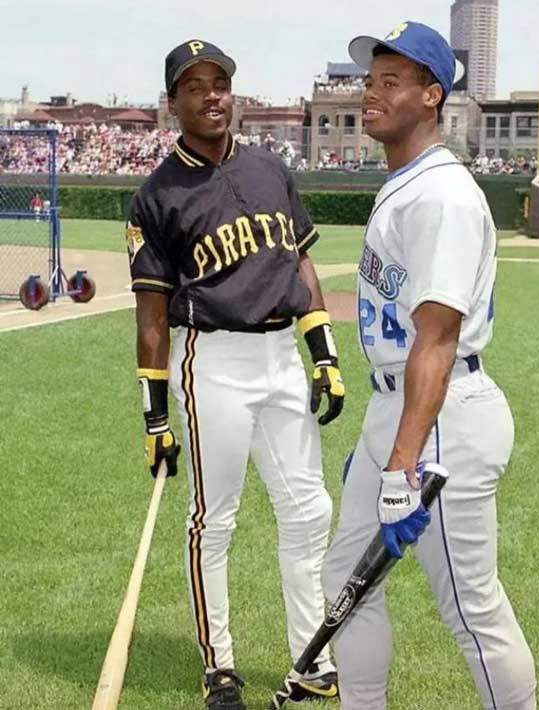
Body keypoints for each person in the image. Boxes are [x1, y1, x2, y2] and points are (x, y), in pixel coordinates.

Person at [319, 21, 537, 710]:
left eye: (391, 82)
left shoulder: (442, 195)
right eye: (369, 81)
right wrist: (381, 439)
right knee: (344, 580)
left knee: (470, 607)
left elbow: (437, 339)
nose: (371, 94)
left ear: (431, 96)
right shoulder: (409, 183)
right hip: (405, 408)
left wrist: (401, 461)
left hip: (441, 418)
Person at [127, 39, 344, 710]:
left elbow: (300, 266)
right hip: (212, 362)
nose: (211, 95)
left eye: (218, 83)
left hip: (281, 358)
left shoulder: (271, 170)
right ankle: (219, 665)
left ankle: (313, 660)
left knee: (308, 511)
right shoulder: (156, 195)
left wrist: (324, 354)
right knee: (213, 520)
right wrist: (155, 416)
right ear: (173, 103)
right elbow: (151, 315)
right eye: (194, 86)